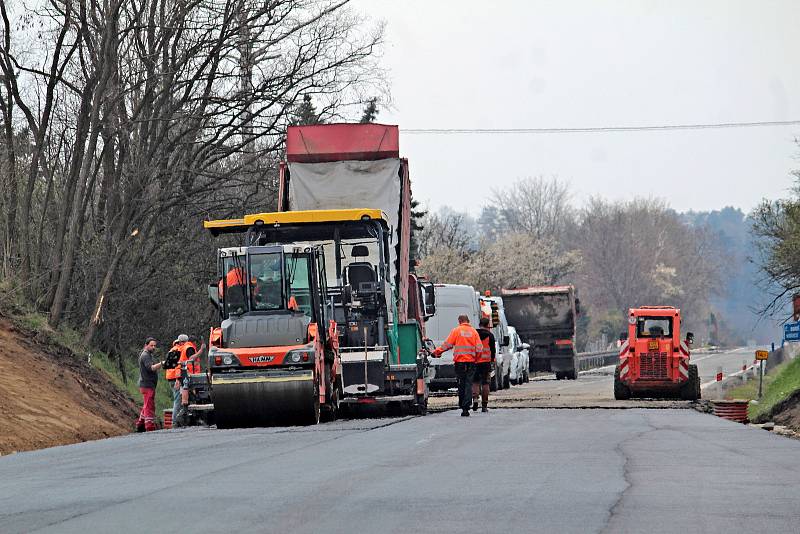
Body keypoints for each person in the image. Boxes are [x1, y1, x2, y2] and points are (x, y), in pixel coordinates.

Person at [431, 314, 482, 417]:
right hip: (471, 363)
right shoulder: (474, 332)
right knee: (468, 384)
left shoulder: (456, 331)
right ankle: (466, 407)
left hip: (460, 363)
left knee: (461, 384)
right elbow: (479, 349)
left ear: (459, 321)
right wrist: (476, 359)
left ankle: (463, 406)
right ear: (468, 321)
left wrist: (437, 352)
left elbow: (447, 345)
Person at [166, 334, 199, 428]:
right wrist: (177, 379)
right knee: (178, 400)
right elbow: (178, 366)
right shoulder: (178, 350)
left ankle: (180, 421)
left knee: (180, 399)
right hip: (176, 377)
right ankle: (175, 422)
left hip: (172, 377)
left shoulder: (173, 350)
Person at [136, 337, 164, 432]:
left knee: (146, 405)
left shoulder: (147, 354)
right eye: (151, 345)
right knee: (149, 406)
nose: (153, 347)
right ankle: (149, 427)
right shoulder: (145, 356)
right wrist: (162, 364)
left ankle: (140, 425)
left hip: (147, 384)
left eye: (154, 346)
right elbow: (151, 368)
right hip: (147, 385)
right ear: (146, 345)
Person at [473, 317, 496, 413]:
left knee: (475, 382)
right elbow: (493, 350)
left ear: (479, 324)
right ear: (487, 325)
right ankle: (484, 405)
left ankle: (475, 398)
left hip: (475, 361)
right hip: (486, 363)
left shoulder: (474, 334)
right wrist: (492, 360)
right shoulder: (490, 335)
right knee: (485, 383)